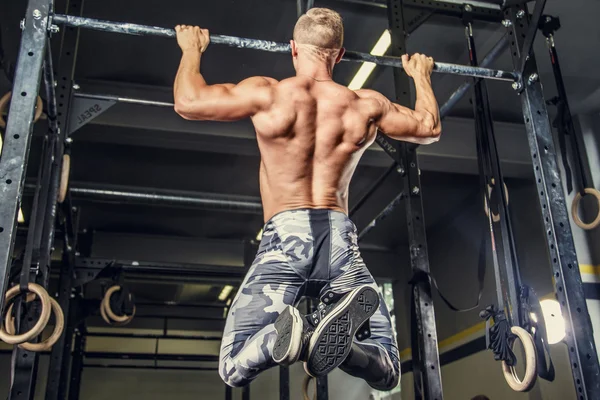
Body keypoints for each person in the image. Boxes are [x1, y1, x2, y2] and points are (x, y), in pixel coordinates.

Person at [173, 7, 441, 390]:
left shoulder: (268, 94)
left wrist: (191, 50)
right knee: (387, 371)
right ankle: (345, 349)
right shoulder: (364, 105)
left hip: (285, 242)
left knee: (232, 367)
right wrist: (420, 76)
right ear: (341, 54)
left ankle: (280, 338)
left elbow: (188, 102)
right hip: (339, 243)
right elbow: (428, 127)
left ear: (293, 48)